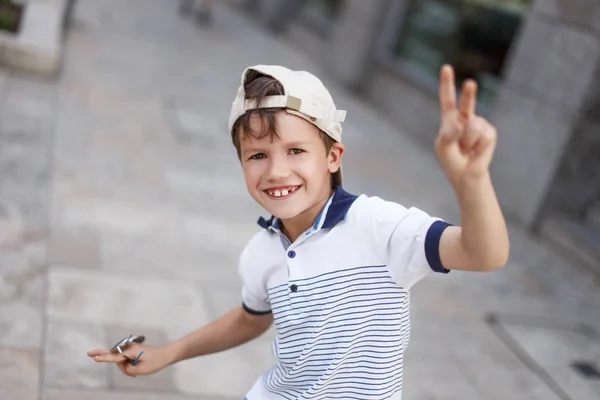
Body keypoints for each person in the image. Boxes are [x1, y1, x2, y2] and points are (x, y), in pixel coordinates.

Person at [88, 64, 510, 399]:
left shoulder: (380, 227)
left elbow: (482, 254)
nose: (276, 171)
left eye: (295, 151)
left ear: (332, 156)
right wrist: (170, 352)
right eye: (257, 155)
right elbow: (251, 319)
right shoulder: (261, 250)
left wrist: (471, 180)